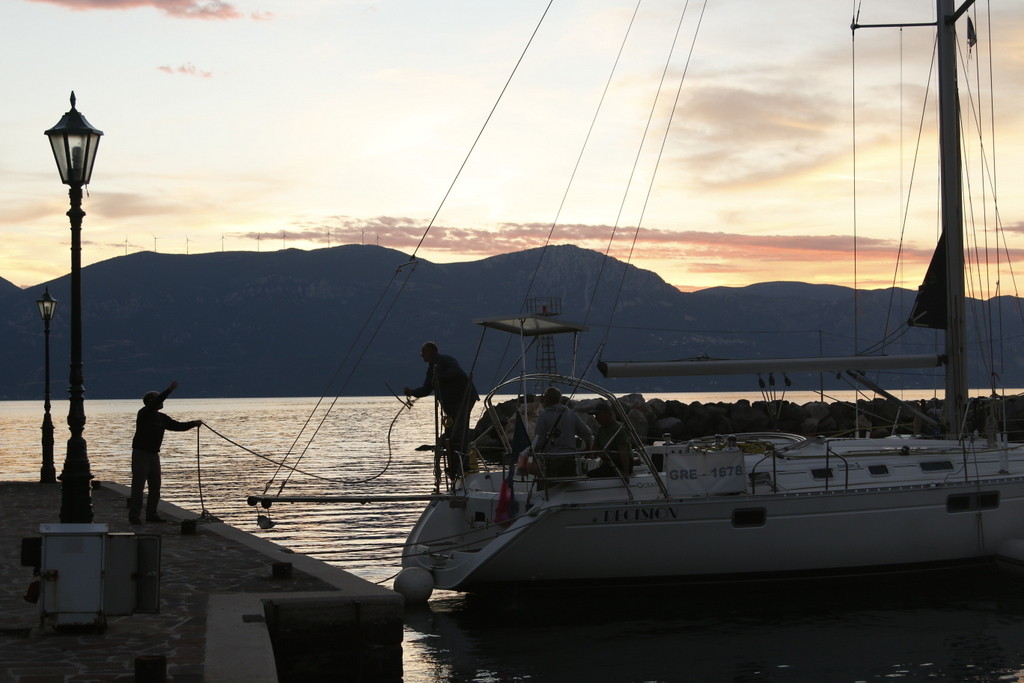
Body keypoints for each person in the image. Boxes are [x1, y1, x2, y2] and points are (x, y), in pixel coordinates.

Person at [129, 381, 202, 524]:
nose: (161, 402)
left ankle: (151, 514)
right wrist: (168, 390)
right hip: (141, 454)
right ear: (151, 401)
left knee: (155, 486)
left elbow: (177, 426)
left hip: (154, 455)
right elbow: (157, 401)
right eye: (157, 398)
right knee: (138, 486)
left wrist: (193, 423)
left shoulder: (162, 418)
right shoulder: (144, 413)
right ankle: (134, 516)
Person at [404, 342, 479, 473]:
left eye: (424, 352)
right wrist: (412, 392)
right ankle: (455, 466)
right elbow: (427, 389)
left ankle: (464, 465)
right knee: (450, 433)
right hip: (451, 404)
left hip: (463, 399)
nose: (421, 355)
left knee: (459, 431)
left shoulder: (446, 360)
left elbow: (454, 371)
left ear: (432, 351)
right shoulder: (432, 368)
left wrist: (441, 378)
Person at [529, 387, 592, 478]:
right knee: (567, 487)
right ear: (560, 399)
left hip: (551, 460)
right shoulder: (571, 414)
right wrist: (588, 448)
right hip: (569, 460)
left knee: (549, 487)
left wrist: (532, 453)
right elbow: (587, 433)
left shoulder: (544, 416)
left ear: (546, 398)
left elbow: (539, 440)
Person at [587, 402, 632, 479]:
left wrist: (626, 473)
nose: (596, 417)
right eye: (595, 415)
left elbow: (623, 453)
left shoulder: (619, 429)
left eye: (598, 414)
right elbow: (594, 448)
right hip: (608, 462)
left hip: (620, 463)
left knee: (591, 475)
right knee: (589, 473)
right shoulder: (600, 430)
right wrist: (602, 454)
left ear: (607, 414)